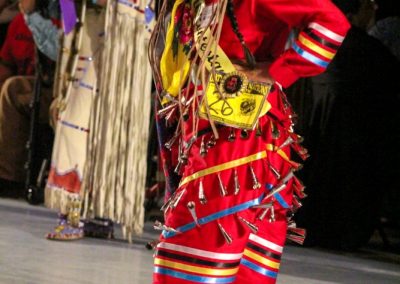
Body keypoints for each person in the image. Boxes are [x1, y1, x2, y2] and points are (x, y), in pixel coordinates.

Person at [149, 0, 350, 283]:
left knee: (195, 255)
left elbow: (332, 23)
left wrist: (276, 71)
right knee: (233, 265)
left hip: (240, 146)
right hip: (217, 134)